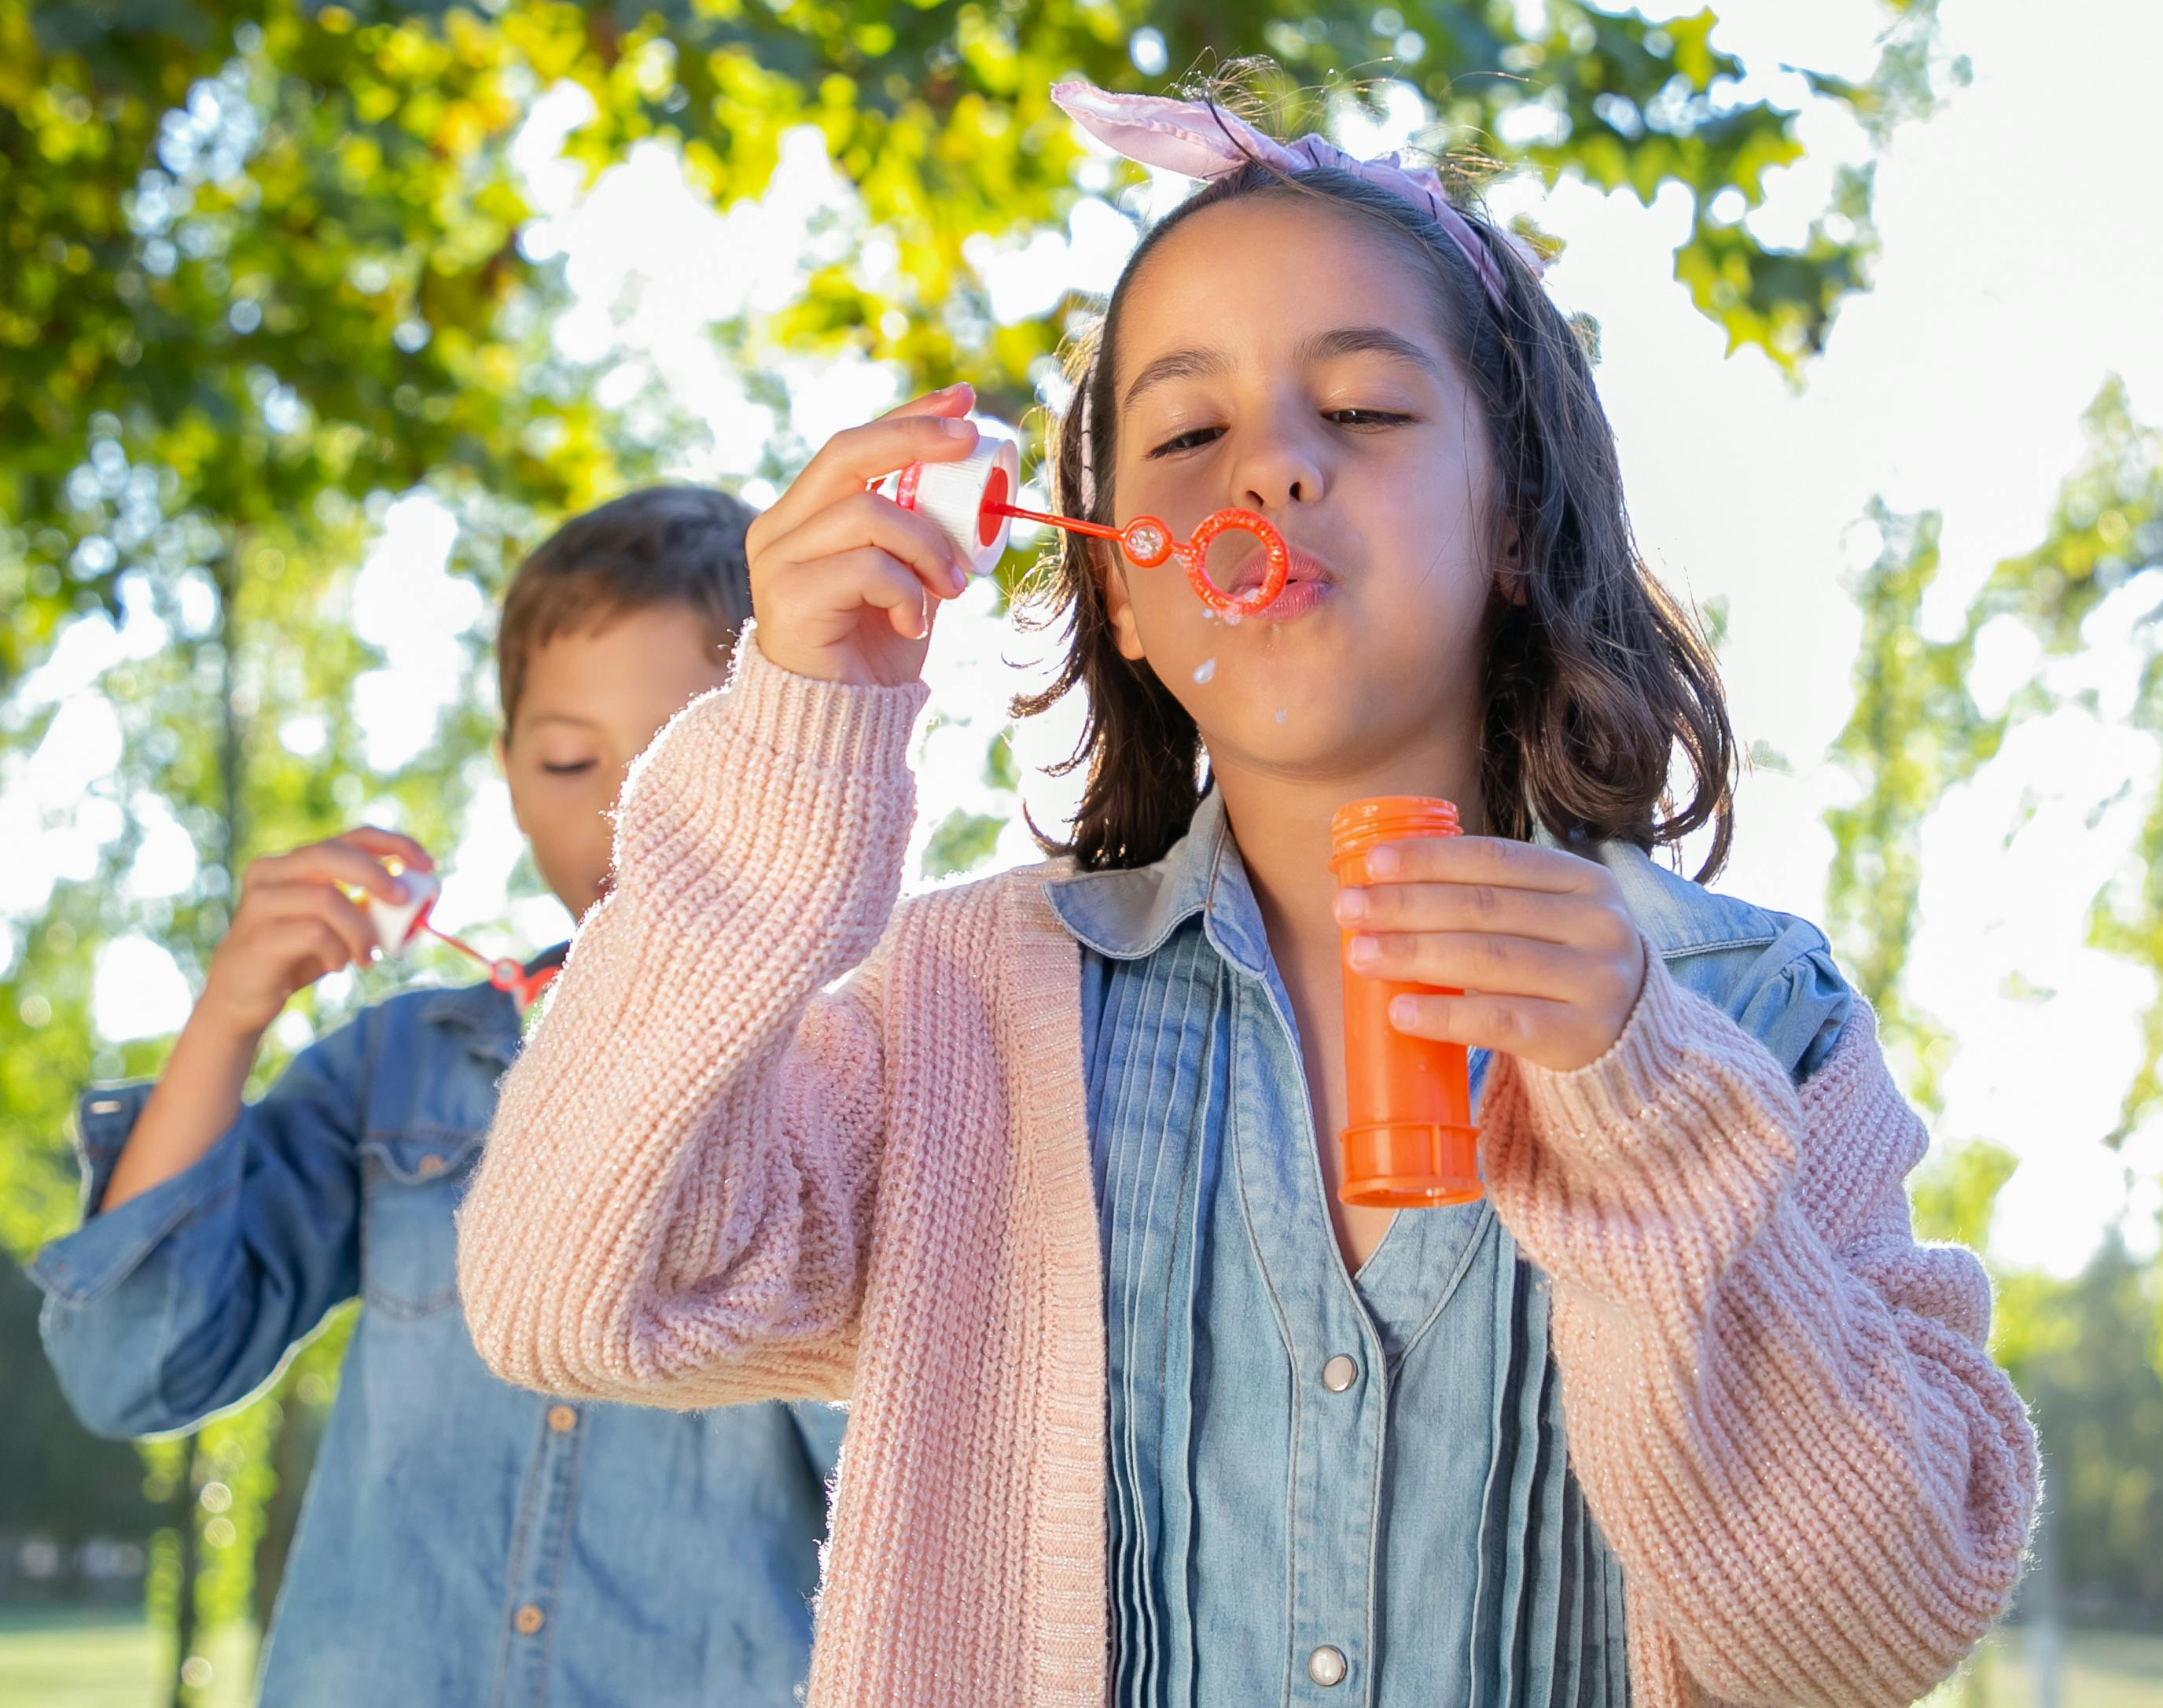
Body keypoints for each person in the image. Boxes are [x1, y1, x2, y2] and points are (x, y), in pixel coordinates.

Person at [454, 82, 2040, 1708]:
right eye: (1190, 433)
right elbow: (570, 1296)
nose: (1270, 465)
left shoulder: (1753, 1019)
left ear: (1514, 519)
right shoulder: (969, 1018)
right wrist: (798, 730)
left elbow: (1865, 1638)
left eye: (1359, 408)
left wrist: (1650, 1123)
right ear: (1129, 589)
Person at [35, 486, 846, 1707]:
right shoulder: (400, 1073)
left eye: (684, 756)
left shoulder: (873, 1081)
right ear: (511, 772)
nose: (622, 817)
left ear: (779, 754)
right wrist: (230, 1014)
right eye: (570, 759)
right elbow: (136, 1366)